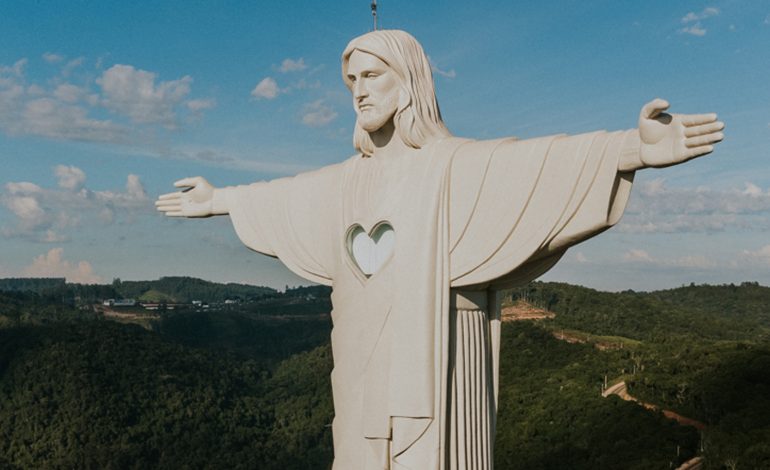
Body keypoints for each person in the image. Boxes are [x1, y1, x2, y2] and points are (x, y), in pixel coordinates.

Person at [156, 30, 723, 470]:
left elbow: (540, 163)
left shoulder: (454, 167)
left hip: (445, 358)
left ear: (408, 82)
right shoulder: (345, 180)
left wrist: (633, 149)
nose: (358, 88)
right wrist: (219, 199)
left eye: (372, 74)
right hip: (358, 371)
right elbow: (286, 196)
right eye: (351, 78)